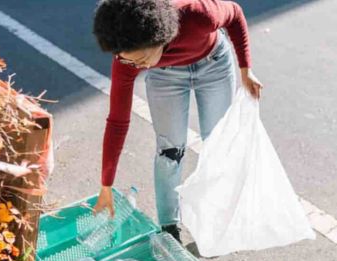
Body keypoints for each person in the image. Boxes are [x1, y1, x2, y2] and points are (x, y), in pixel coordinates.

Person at [92, 0, 262, 243]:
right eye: (129, 61)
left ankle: (219, 218)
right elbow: (117, 121)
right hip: (165, 75)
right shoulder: (126, 60)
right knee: (169, 151)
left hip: (213, 64)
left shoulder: (198, 15)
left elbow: (235, 13)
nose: (136, 67)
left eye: (141, 60)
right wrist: (106, 185)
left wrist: (246, 69)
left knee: (218, 146)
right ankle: (169, 227)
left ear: (159, 39)